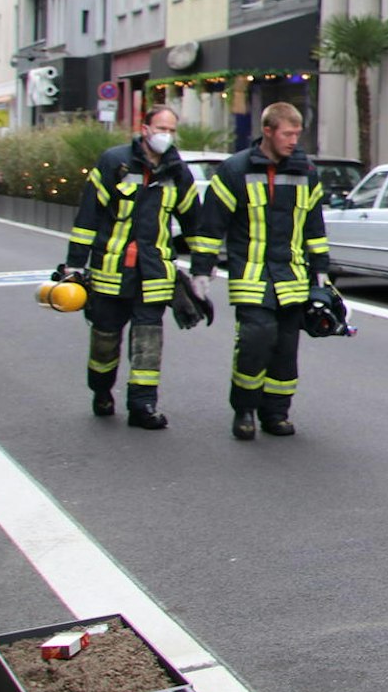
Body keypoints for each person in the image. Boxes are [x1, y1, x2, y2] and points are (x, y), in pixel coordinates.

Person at [190, 102, 333, 440]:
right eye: (287, 133)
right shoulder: (234, 170)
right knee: (256, 340)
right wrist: (201, 270)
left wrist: (322, 272)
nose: (293, 140)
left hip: (293, 279)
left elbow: (314, 226)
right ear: (267, 131)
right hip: (252, 277)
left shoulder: (306, 172)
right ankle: (244, 409)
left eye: (297, 134)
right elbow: (211, 225)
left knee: (285, 350)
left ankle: (276, 414)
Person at [60, 104, 198, 429]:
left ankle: (143, 406)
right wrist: (75, 265)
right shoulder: (114, 163)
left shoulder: (177, 172)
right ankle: (101, 390)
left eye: (171, 130)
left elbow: (195, 222)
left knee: (148, 342)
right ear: (145, 128)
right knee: (105, 341)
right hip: (111, 272)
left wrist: (203, 269)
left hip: (154, 275)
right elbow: (87, 218)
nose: (166, 136)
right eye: (161, 128)